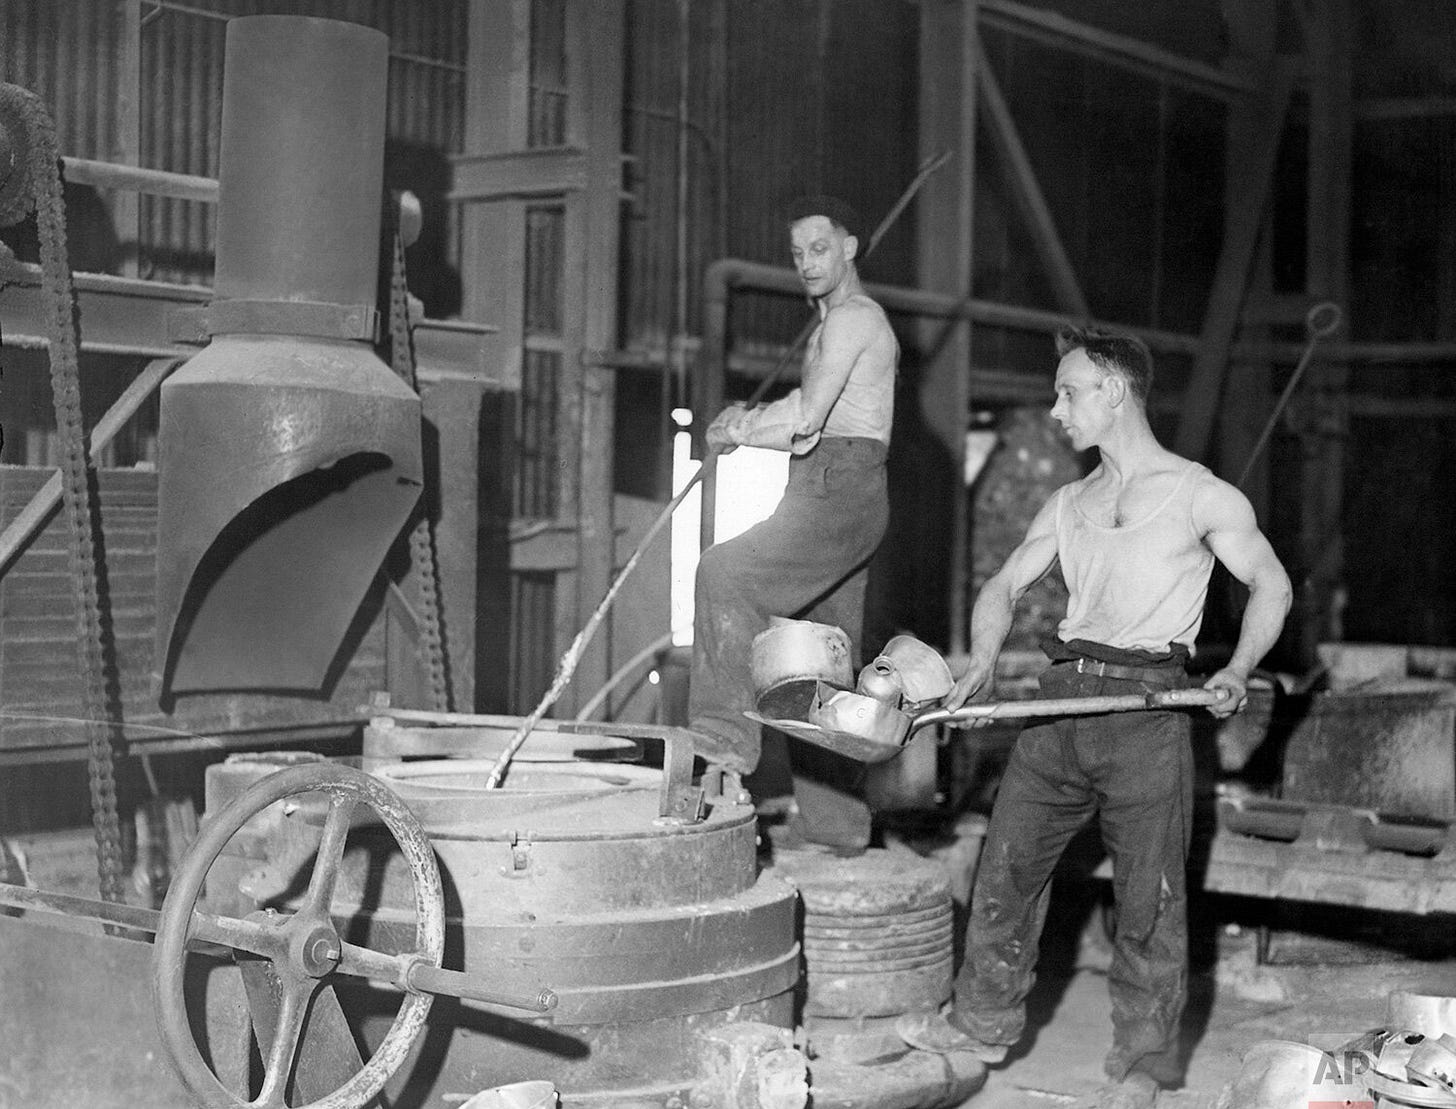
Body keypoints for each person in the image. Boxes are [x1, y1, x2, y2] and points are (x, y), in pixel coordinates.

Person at [896, 325, 1292, 1109]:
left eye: (1068, 391)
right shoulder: (1068, 501)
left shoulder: (1201, 494)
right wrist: (979, 662)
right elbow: (1004, 585)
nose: (1055, 408)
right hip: (1061, 700)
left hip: (1149, 710)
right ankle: (981, 1022)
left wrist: (1240, 668)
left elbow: (1271, 585)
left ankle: (1143, 1064)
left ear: (1114, 391)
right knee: (1005, 867)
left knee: (1150, 897)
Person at [688, 195, 898, 852]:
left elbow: (807, 421)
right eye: (799, 253)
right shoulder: (834, 322)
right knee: (820, 661)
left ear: (850, 247)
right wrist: (739, 421)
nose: (808, 263)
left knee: (723, 572)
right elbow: (803, 405)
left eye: (820, 248)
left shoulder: (853, 319)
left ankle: (722, 758)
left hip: (837, 485)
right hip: (844, 488)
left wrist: (744, 431)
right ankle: (840, 827)